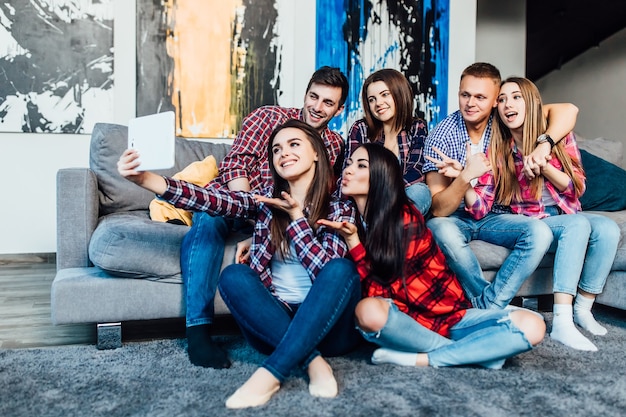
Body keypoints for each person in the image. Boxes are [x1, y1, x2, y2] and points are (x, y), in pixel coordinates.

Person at [118, 119, 362, 408]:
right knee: (234, 275)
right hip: (273, 326)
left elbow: (326, 275)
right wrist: (145, 179)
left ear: (317, 153)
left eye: (294, 144)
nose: (283, 153)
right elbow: (209, 199)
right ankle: (313, 361)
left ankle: (271, 374)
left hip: (331, 331)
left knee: (341, 270)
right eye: (276, 149)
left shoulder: (339, 207)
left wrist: (297, 220)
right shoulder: (264, 205)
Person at [179, 66, 349, 369]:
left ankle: (295, 344)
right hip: (238, 198)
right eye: (314, 97)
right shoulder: (268, 117)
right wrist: (252, 212)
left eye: (327, 102)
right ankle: (198, 330)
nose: (317, 107)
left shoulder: (334, 145)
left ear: (339, 109)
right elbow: (235, 165)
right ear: (306, 92)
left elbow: (318, 196)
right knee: (209, 218)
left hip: (275, 216)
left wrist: (267, 227)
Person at [320, 143, 545, 368]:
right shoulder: (350, 222)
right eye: (349, 164)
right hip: (407, 324)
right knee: (367, 311)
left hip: (451, 318)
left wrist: (355, 246)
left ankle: (426, 358)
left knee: (533, 325)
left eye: (361, 166)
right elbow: (375, 298)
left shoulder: (403, 217)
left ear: (381, 176)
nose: (348, 170)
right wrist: (352, 241)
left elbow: (385, 289)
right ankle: (474, 353)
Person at [464, 77, 620, 351]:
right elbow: (488, 203)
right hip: (531, 221)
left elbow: (577, 188)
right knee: (577, 226)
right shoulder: (499, 148)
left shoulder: (557, 138)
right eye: (501, 100)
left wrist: (544, 164)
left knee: (609, 229)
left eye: (515, 97)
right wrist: (467, 178)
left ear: (532, 103)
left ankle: (582, 309)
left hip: (564, 212)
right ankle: (561, 321)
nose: (507, 104)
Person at [422, 62, 579, 309]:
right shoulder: (441, 136)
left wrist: (544, 145)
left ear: (496, 100)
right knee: (439, 228)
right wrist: (464, 177)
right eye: (465, 95)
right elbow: (439, 209)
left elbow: (568, 110)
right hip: (457, 216)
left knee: (539, 232)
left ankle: (488, 306)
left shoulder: (506, 120)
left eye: (480, 97)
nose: (470, 103)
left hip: (496, 216)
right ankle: (493, 305)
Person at [343, 68, 431, 214]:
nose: (378, 103)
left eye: (385, 95)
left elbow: (416, 171)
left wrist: (387, 194)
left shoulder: (416, 127)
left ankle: (389, 225)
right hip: (368, 201)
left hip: (402, 199)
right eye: (372, 99)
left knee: (419, 192)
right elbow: (349, 172)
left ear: (399, 93)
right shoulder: (361, 129)